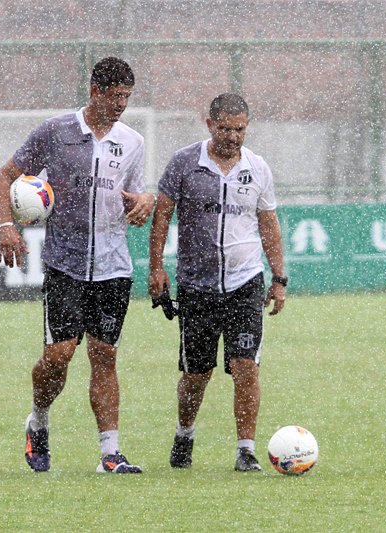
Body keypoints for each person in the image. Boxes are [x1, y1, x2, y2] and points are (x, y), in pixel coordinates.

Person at [0, 57, 155, 474]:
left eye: (127, 97)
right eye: (114, 95)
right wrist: (7, 226)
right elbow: (4, 176)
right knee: (59, 354)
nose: (121, 104)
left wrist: (144, 202)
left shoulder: (132, 141)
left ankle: (110, 454)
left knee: (104, 355)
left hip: (114, 266)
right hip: (64, 262)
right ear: (94, 91)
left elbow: (136, 196)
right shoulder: (55, 131)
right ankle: (39, 420)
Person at [148, 93, 287, 472]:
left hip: (245, 284)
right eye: (224, 128)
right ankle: (184, 433)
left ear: (247, 127)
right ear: (209, 124)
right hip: (196, 285)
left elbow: (268, 224)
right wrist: (156, 267)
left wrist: (278, 277)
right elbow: (162, 216)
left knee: (246, 367)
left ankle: (245, 450)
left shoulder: (258, 167)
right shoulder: (184, 162)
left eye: (239, 129)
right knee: (196, 375)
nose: (232, 136)